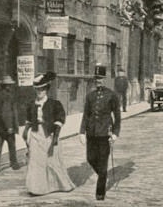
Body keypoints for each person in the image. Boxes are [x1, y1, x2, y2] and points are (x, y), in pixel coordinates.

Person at [23, 71, 75, 196]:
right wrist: (25, 133)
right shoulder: (31, 104)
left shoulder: (54, 104)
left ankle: (60, 185)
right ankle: (37, 188)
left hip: (48, 135)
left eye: (42, 89)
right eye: (37, 90)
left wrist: (56, 137)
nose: (39, 92)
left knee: (51, 161)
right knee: (35, 162)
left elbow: (60, 120)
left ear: (46, 90)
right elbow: (29, 121)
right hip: (35, 134)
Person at [79, 63, 121, 201]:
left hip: (104, 134)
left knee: (103, 162)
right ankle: (103, 175)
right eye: (96, 79)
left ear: (105, 79)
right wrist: (81, 132)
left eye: (101, 78)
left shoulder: (112, 95)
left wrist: (115, 133)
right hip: (91, 133)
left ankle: (100, 192)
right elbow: (86, 114)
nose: (98, 81)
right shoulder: (90, 96)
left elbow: (117, 116)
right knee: (90, 159)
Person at [0, 75, 20, 173]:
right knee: (12, 145)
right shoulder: (8, 96)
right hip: (7, 126)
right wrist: (9, 127)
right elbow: (6, 112)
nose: (10, 87)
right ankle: (14, 163)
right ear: (7, 86)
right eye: (9, 85)